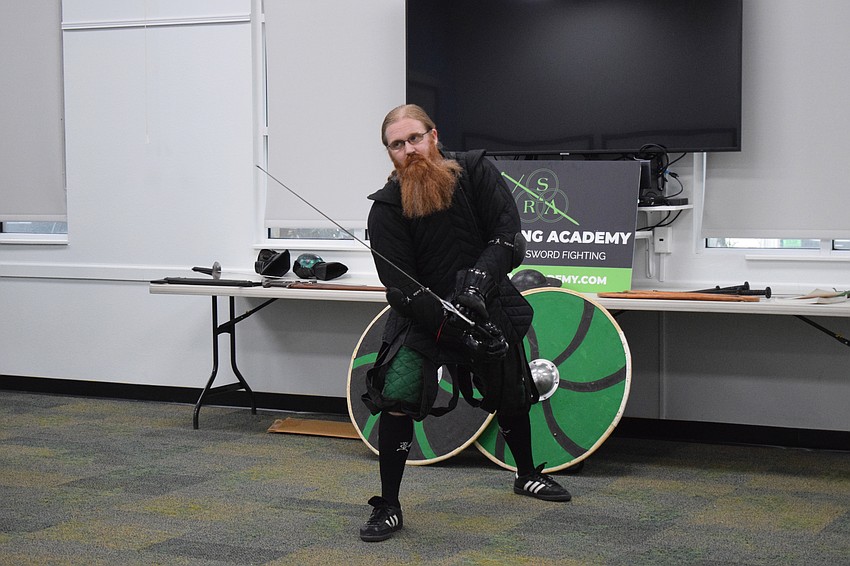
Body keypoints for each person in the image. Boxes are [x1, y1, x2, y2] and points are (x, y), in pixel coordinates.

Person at [359, 104, 571, 542]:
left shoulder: (475, 170)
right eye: (397, 145)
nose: (409, 150)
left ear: (434, 136)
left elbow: (508, 237)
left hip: (487, 301)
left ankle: (526, 473)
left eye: (415, 138)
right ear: (389, 154)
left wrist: (478, 281)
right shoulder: (384, 208)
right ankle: (390, 505)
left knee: (512, 391)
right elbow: (401, 286)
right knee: (396, 395)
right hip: (422, 316)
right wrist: (457, 326)